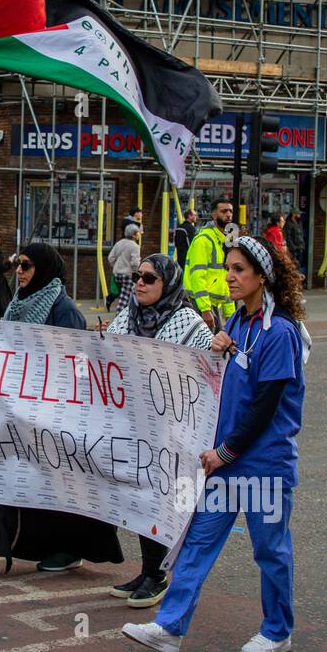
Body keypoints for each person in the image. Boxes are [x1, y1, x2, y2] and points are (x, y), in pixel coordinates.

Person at [123, 235, 309, 652]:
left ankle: (278, 630)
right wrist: (218, 351)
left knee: (270, 551)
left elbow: (266, 404)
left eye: (239, 270)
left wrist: (225, 451)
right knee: (197, 543)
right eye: (228, 268)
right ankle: (169, 628)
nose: (229, 277)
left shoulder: (279, 332)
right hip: (226, 463)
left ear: (262, 276)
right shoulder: (237, 325)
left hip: (263, 464)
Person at [0, 244, 127, 576]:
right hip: (18, 413)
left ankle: (67, 549)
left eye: (27, 265)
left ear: (43, 269)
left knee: (57, 488)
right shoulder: (17, 304)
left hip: (55, 418)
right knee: (3, 473)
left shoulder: (65, 310)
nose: (19, 271)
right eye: (17, 264)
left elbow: (80, 367)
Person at [101, 254, 214, 609]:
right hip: (132, 426)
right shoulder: (127, 317)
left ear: (168, 284)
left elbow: (209, 373)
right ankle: (149, 568)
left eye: (149, 278)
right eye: (137, 276)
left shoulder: (190, 324)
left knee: (160, 500)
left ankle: (159, 575)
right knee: (138, 496)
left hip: (172, 430)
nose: (139, 282)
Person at [185, 198, 236, 331]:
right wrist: (205, 309)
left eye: (230, 211)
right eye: (224, 211)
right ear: (214, 214)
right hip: (200, 304)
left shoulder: (225, 240)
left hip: (213, 305)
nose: (228, 214)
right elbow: (197, 275)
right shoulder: (204, 240)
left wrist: (230, 314)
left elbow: (226, 279)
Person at [107, 222, 141, 316]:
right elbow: (135, 262)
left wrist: (116, 266)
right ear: (134, 234)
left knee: (124, 294)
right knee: (125, 297)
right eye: (137, 233)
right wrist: (135, 271)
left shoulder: (119, 243)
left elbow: (111, 257)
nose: (139, 235)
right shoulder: (134, 246)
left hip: (117, 273)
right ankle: (119, 316)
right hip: (128, 274)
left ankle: (127, 314)